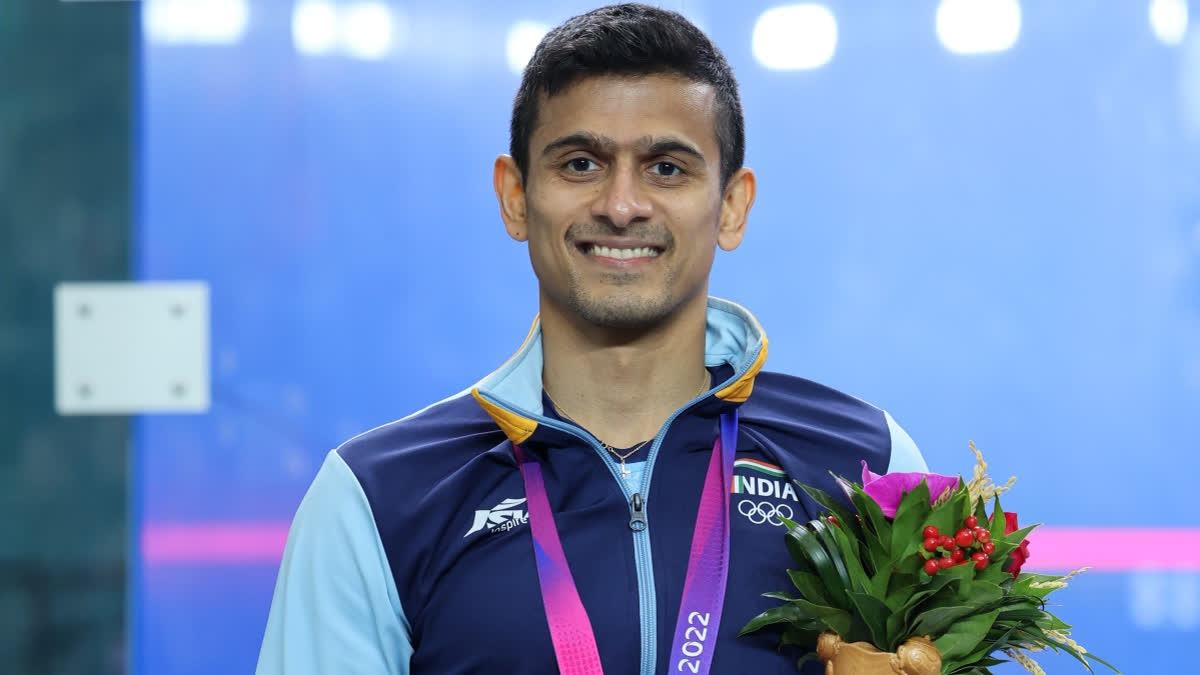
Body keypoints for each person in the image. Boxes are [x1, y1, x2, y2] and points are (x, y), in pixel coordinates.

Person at [256, 4, 927, 674]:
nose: (622, 204)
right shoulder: (378, 500)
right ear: (516, 195)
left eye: (666, 167)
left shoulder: (865, 468)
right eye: (581, 163)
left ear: (732, 205)